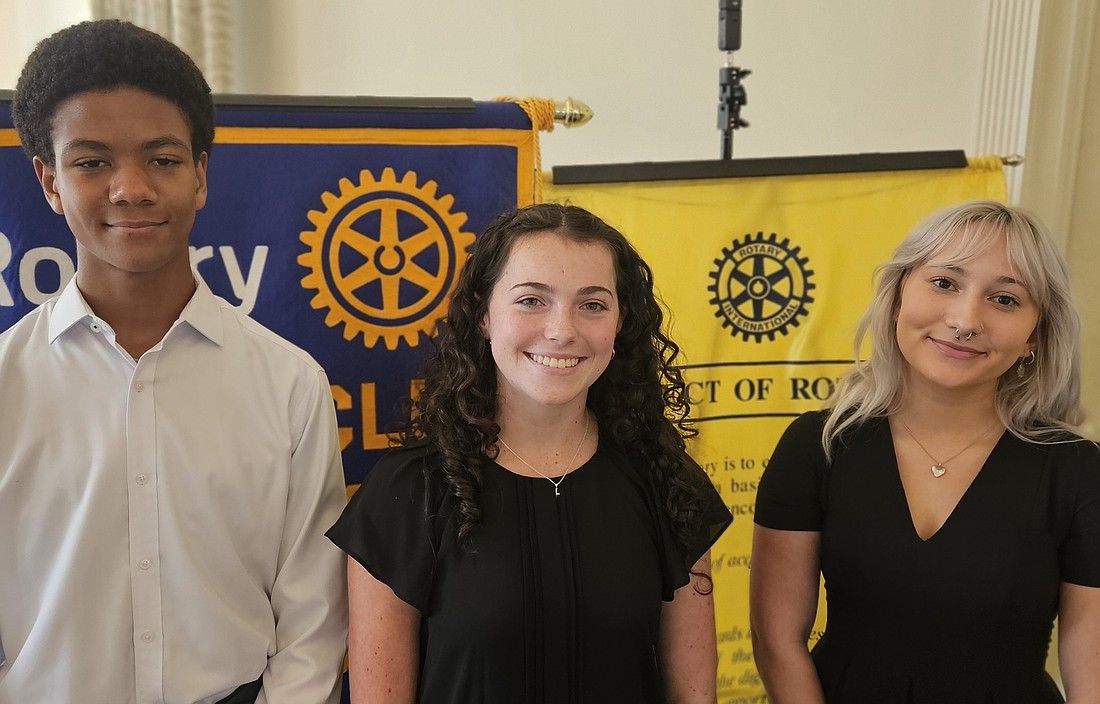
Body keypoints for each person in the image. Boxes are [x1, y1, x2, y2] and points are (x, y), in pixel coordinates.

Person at [0, 20, 347, 704]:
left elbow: (314, 618)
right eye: (91, 162)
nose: (130, 188)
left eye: (162, 159)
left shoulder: (288, 383)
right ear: (48, 182)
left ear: (200, 176)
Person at [326, 203, 732, 703]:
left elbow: (694, 696)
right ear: (484, 315)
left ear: (620, 322)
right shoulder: (407, 492)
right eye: (531, 300)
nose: (562, 330)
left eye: (592, 305)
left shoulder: (667, 482)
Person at [749, 200, 1100, 703]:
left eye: (1004, 299)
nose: (965, 320)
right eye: (944, 283)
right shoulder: (817, 446)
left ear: (1035, 336)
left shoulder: (1079, 470)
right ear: (897, 296)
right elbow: (777, 642)